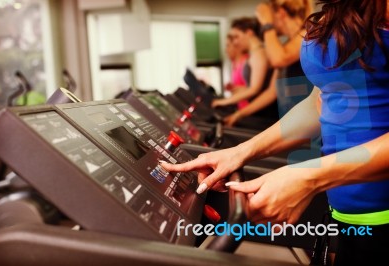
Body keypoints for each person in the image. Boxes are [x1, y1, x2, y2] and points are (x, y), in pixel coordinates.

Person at [161, 0, 389, 264]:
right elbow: (322, 103)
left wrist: (309, 178)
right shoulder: (339, 10)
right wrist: (240, 152)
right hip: (348, 215)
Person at [212, 18, 278, 123]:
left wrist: (225, 102)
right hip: (259, 111)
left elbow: (254, 89)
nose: (235, 42)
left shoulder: (259, 54)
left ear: (249, 33)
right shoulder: (254, 54)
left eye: (236, 37)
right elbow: (256, 87)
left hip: (265, 114)